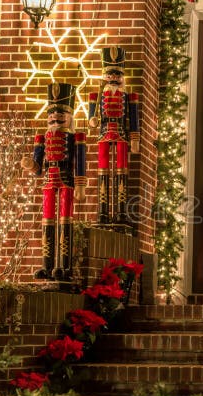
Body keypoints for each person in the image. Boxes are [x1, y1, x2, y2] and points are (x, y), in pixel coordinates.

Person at [21, 82, 86, 281]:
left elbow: (80, 162)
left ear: (69, 116)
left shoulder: (75, 137)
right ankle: (46, 265)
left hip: (66, 180)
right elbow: (38, 168)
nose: (54, 117)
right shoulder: (42, 138)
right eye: (51, 113)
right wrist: (30, 164)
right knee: (47, 221)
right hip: (49, 182)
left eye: (60, 113)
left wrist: (81, 185)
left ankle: (63, 266)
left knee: (65, 221)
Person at [88, 46, 140, 227]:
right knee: (103, 170)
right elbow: (92, 118)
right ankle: (102, 211)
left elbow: (133, 119)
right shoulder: (96, 96)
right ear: (104, 76)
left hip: (121, 134)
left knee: (121, 171)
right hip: (104, 133)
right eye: (110, 75)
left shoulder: (129, 96)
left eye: (118, 75)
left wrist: (134, 138)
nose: (114, 78)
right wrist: (92, 121)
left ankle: (121, 211)